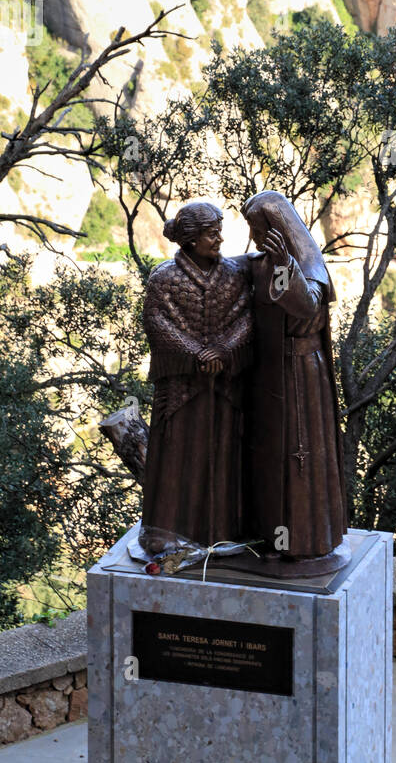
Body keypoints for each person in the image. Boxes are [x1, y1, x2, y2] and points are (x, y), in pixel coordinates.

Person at [139, 201, 253, 555]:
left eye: (219, 231)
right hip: (179, 389)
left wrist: (223, 349)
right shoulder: (164, 279)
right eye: (210, 233)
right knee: (175, 456)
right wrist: (194, 353)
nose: (219, 238)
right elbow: (157, 322)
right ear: (189, 240)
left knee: (224, 455)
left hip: (224, 388)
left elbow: (247, 318)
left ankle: (222, 531)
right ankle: (165, 533)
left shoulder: (234, 275)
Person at [241, 190, 347, 562]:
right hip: (268, 373)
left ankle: (304, 542)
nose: (254, 236)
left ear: (278, 229)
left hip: (302, 376)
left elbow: (305, 304)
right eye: (251, 229)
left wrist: (285, 264)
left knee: (300, 457)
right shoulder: (259, 262)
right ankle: (270, 536)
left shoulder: (308, 263)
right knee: (270, 455)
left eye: (259, 228)